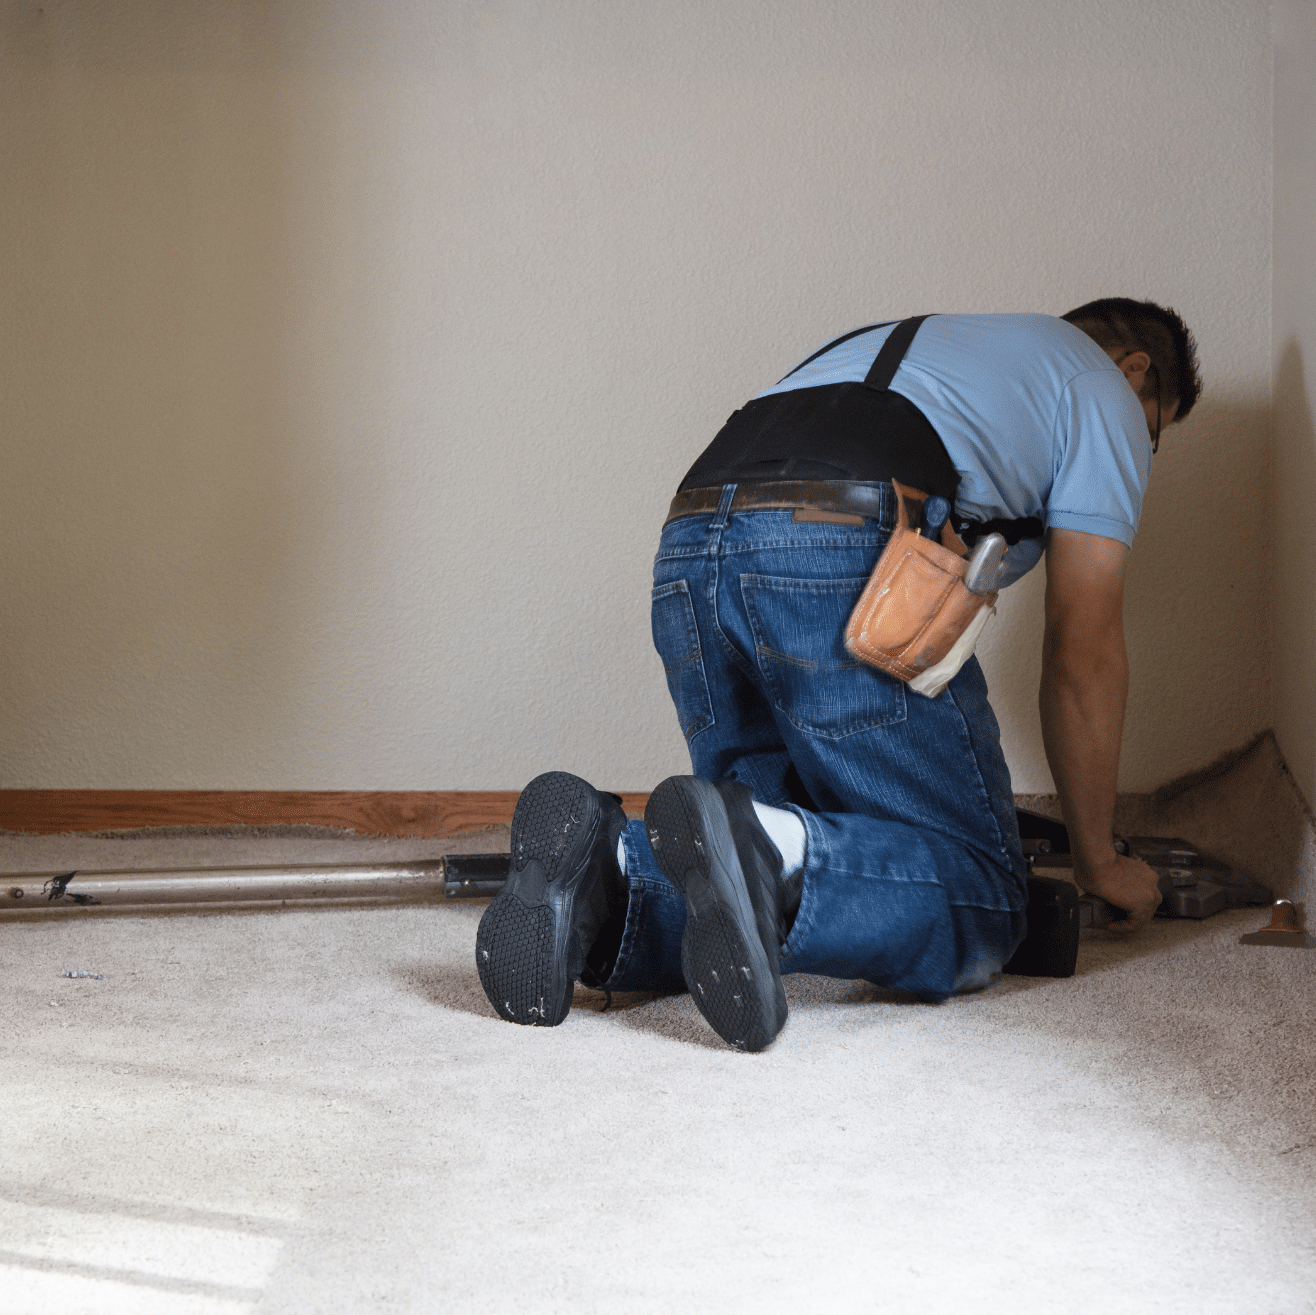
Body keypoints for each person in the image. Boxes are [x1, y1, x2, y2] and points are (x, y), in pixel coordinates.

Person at [474, 301, 1199, 1051]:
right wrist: (1101, 861)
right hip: (831, 548)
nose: (1141, 453)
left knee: (766, 857)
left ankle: (610, 872)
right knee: (982, 889)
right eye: (1155, 432)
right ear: (1134, 369)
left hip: (692, 546)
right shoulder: (1102, 388)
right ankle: (771, 847)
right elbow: (1085, 648)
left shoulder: (937, 350)